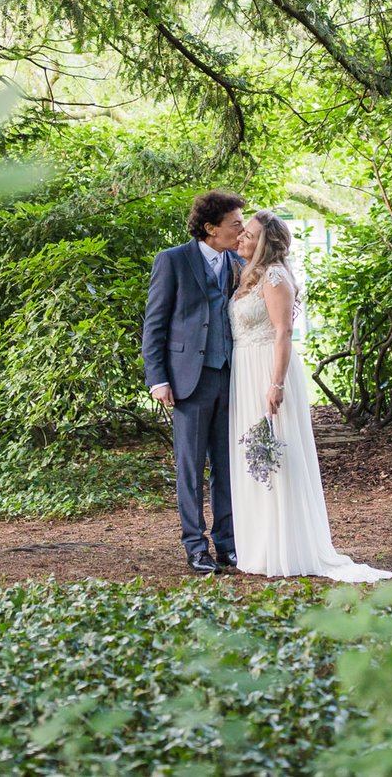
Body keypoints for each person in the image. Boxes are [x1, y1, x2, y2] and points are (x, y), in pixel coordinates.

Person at [227, 210, 392, 582]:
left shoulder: (273, 276)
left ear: (264, 244)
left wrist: (276, 384)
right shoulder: (245, 276)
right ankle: (259, 544)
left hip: (267, 370)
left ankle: (286, 546)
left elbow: (284, 332)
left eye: (248, 235)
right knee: (254, 457)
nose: (241, 238)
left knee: (277, 455)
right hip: (244, 370)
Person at [141, 190, 246, 575]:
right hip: (188, 380)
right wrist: (158, 379)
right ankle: (194, 546)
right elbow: (155, 324)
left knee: (227, 465)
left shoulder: (239, 261)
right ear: (210, 228)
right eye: (235, 224)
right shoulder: (172, 261)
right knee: (190, 467)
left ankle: (227, 544)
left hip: (232, 377)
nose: (242, 229)